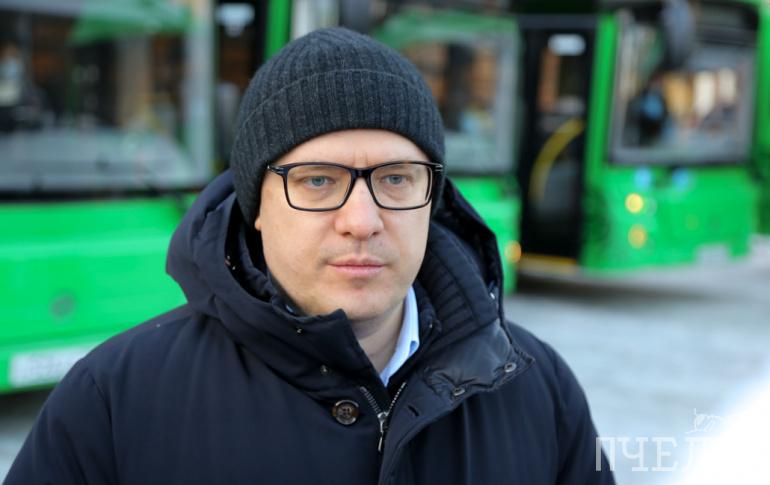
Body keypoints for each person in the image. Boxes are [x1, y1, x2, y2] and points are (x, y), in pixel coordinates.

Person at [6, 28, 614, 484]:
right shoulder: (113, 402)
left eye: (396, 179)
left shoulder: (538, 388)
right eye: (318, 181)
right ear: (257, 207)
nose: (362, 221)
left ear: (433, 198)